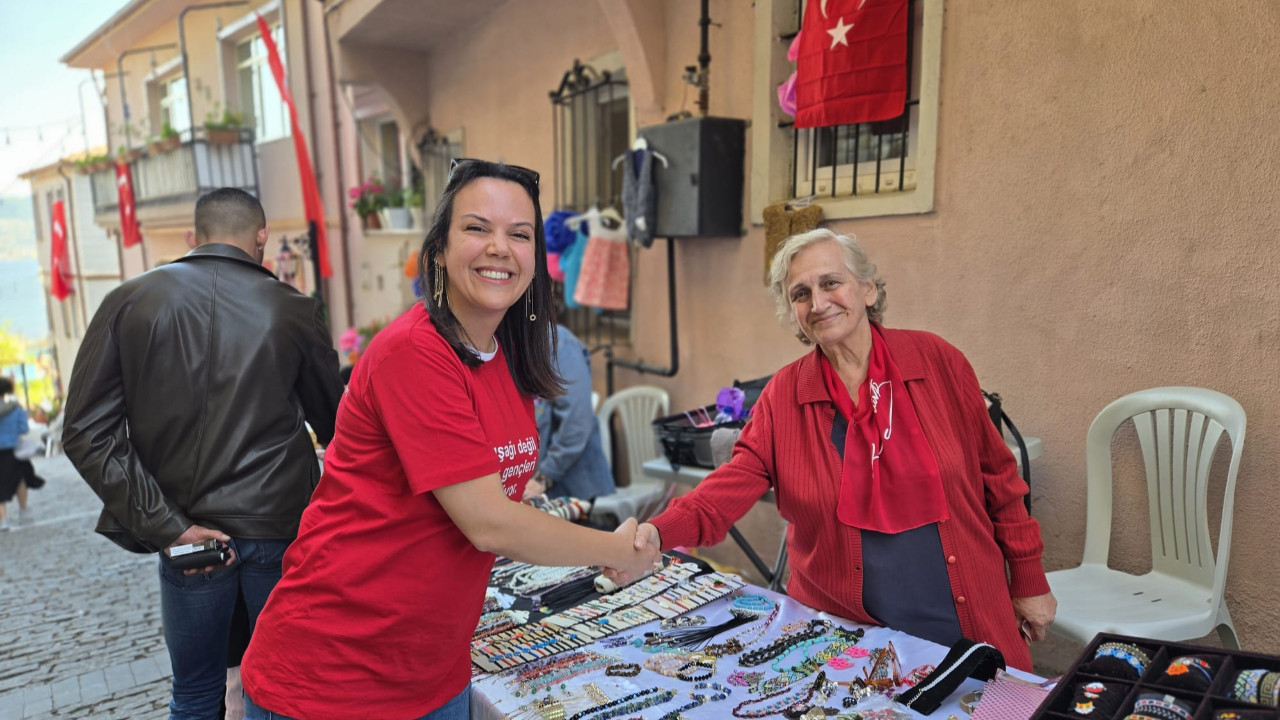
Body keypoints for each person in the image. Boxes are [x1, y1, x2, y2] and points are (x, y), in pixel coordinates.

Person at [239, 159, 657, 720]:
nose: (500, 248)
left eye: (520, 234)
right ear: (438, 249)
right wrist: (613, 549)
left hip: (434, 671)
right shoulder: (414, 351)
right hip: (334, 673)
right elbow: (489, 522)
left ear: (536, 258)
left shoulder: (509, 356)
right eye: (477, 228)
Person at [631, 228, 1056, 671]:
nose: (818, 303)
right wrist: (656, 533)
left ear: (868, 289)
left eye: (831, 283)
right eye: (801, 294)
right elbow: (726, 489)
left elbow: (1000, 480)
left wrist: (1029, 580)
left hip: (963, 626)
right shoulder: (783, 398)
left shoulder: (937, 362)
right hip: (844, 641)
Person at [62, 187, 344, 720]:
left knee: (194, 693)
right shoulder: (293, 308)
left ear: (194, 237)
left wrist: (167, 526)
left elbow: (84, 431)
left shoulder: (127, 300)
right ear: (262, 236)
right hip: (277, 528)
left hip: (187, 535)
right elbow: (336, 424)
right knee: (285, 689)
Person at [530, 323, 613, 501]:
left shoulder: (559, 343)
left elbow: (577, 422)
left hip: (574, 487)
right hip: (532, 488)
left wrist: (543, 476)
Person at [0, 377, 45, 530]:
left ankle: (3, 520)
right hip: (13, 450)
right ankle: (23, 511)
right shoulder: (15, 409)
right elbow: (24, 429)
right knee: (20, 480)